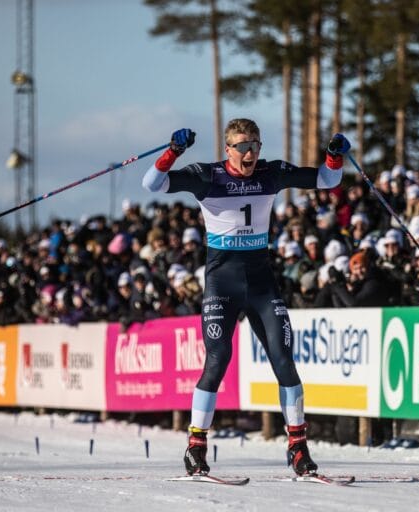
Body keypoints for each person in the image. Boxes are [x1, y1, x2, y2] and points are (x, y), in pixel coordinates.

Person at [143, 120, 348, 477]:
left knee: (284, 358)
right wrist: (173, 152)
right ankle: (196, 446)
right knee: (219, 357)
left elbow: (329, 181)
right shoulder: (208, 176)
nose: (249, 153)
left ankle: (298, 448)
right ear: (228, 150)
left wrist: (333, 157)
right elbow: (153, 183)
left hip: (261, 283)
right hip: (222, 284)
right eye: (241, 146)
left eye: (254, 145)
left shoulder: (271, 173)